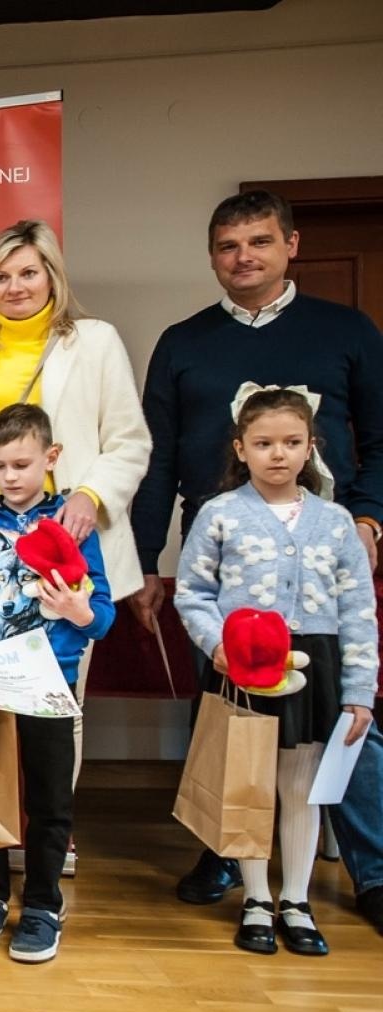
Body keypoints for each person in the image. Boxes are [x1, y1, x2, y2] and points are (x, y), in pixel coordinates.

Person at [128, 190, 383, 924]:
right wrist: (147, 560)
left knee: (343, 720)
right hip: (229, 571)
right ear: (213, 255)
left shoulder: (347, 331)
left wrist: (368, 517)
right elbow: (160, 459)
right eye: (229, 245)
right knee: (225, 717)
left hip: (327, 566)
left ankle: (372, 869)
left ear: (291, 245)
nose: (245, 257)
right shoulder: (184, 342)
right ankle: (222, 850)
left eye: (260, 242)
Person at [0, 219, 150, 915]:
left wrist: (89, 493)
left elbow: (127, 440)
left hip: (63, 551)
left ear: (52, 275)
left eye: (28, 272)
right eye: (2, 276)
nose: (15, 287)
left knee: (55, 716)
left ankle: (48, 857)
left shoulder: (95, 341)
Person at [174, 387, 378, 956]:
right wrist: (218, 645)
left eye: (292, 443)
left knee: (301, 787)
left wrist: (360, 691)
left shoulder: (336, 522)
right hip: (244, 665)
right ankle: (257, 897)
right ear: (241, 448)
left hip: (317, 665)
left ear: (311, 447)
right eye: (264, 443)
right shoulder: (219, 514)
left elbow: (360, 611)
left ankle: (297, 898)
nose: (278, 455)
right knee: (251, 782)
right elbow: (192, 594)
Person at [0, 404, 116, 964]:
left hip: (50, 681)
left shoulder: (70, 524)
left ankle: (41, 903)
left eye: (21, 464)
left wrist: (77, 610)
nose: (10, 477)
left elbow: (103, 614)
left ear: (50, 458)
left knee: (49, 798)